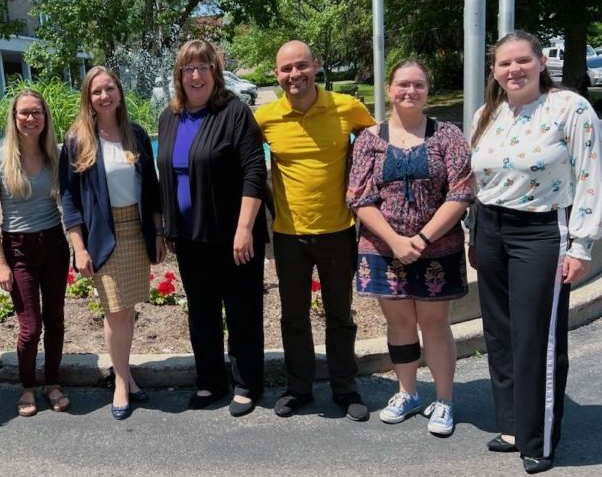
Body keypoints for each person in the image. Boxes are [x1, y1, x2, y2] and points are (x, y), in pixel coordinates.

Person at [470, 30, 601, 474]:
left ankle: (539, 439)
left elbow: (589, 176)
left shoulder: (570, 108)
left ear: (541, 61)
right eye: (504, 63)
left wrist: (581, 245)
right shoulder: (487, 114)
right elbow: (479, 182)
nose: (514, 69)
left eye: (522, 60)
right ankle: (511, 425)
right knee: (500, 334)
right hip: (490, 227)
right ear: (495, 70)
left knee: (536, 339)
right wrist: (475, 233)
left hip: (541, 230)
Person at [347, 60, 474, 436]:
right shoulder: (370, 139)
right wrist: (396, 241)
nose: (410, 92)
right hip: (384, 250)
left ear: (427, 90)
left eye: (418, 85)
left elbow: (461, 192)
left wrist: (420, 240)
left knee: (435, 324)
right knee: (400, 323)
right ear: (388, 89)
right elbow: (358, 196)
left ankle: (445, 399)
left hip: (439, 248)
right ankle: (408, 392)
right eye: (403, 85)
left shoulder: (447, 135)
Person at [254, 40, 375, 421]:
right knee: (293, 316)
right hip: (288, 235)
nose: (294, 75)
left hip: (338, 231)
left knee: (340, 314)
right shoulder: (266, 117)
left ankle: (345, 386)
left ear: (316, 66)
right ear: (276, 74)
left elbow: (379, 151)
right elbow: (242, 161)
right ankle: (299, 388)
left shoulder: (347, 108)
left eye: (301, 66)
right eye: (286, 69)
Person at [157, 40, 267, 417]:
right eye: (189, 68)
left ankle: (246, 384)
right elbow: (166, 175)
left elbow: (255, 169)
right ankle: (210, 381)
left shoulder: (233, 112)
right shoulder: (169, 118)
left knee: (242, 312)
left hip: (232, 235)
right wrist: (168, 225)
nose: (196, 74)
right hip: (189, 237)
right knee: (201, 313)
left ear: (215, 73)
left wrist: (244, 228)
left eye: (204, 67)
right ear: (179, 75)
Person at [59, 66, 164, 420]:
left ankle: (126, 372)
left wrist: (158, 231)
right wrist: (79, 246)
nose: (104, 96)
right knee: (115, 310)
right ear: (88, 98)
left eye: (109, 89)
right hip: (103, 235)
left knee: (128, 309)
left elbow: (150, 187)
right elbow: (70, 200)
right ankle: (120, 381)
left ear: (119, 92)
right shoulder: (77, 140)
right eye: (96, 91)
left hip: (136, 229)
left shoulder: (134, 133)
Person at [0, 90, 71, 416]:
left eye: (37, 112)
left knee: (56, 318)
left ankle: (52, 383)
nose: (30, 118)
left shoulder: (56, 157)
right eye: (24, 113)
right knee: (30, 326)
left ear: (45, 118)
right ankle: (27, 386)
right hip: (18, 248)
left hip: (54, 244)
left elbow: (72, 202)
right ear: (14, 118)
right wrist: (0, 263)